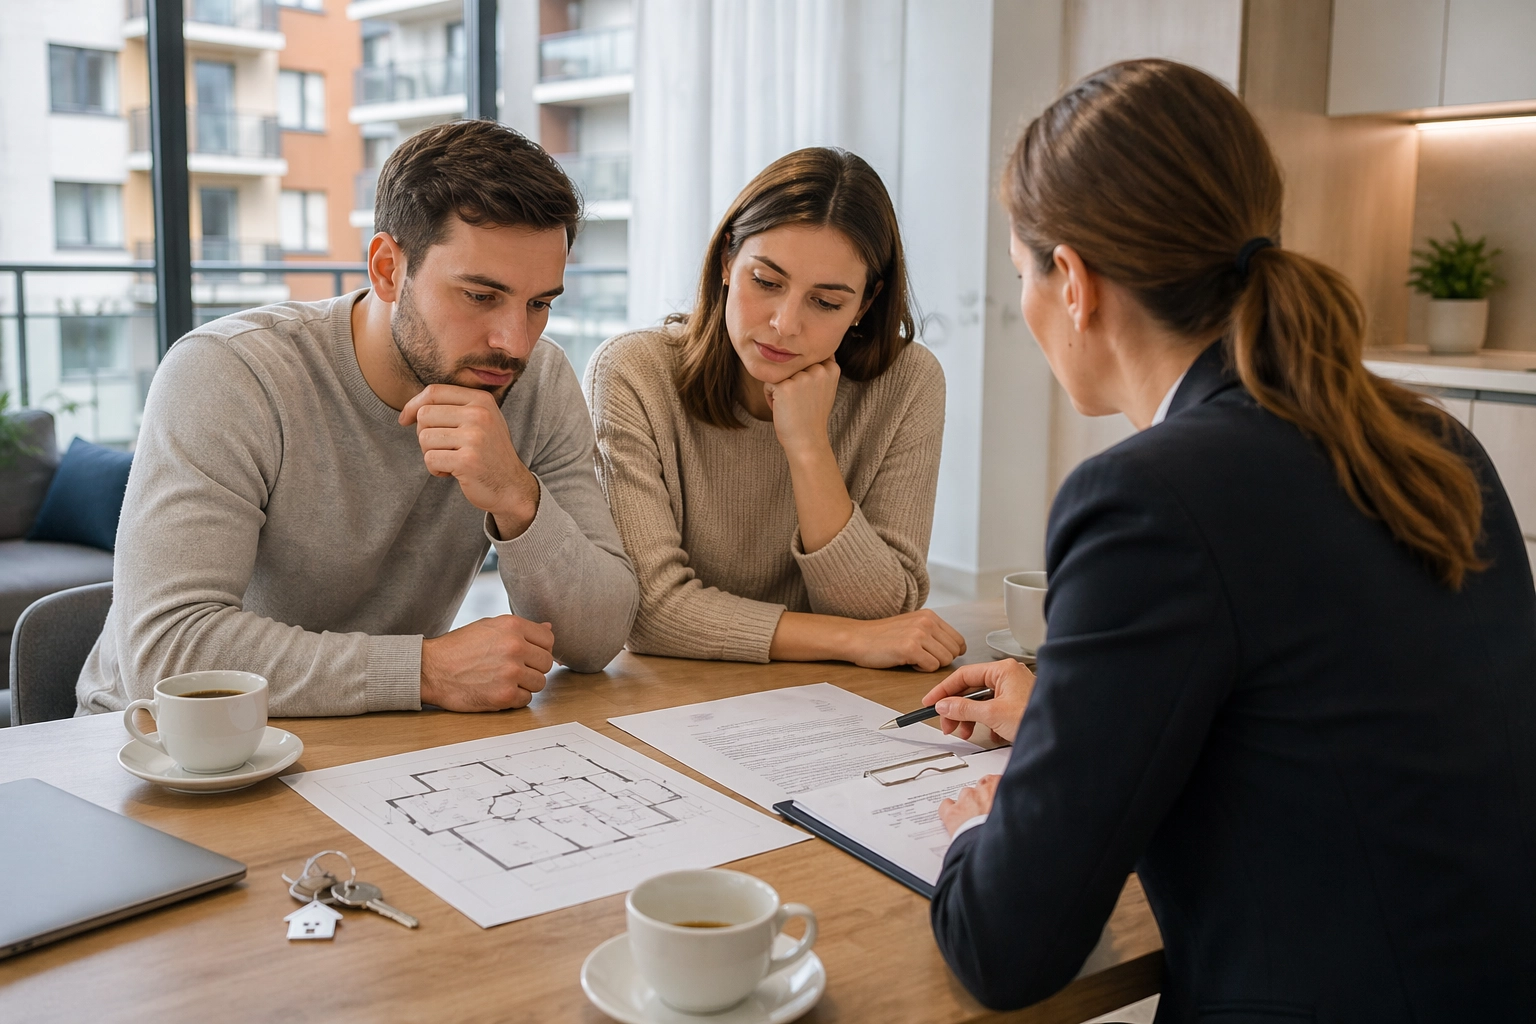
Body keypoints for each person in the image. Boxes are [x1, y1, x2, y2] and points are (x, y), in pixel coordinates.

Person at [921, 60, 1536, 1021]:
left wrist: (981, 832)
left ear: (1073, 281)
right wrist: (1065, 715)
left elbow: (1006, 946)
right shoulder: (1433, 441)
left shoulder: (1146, 496)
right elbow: (1322, 723)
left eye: (1022, 276)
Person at [77, 121, 639, 718]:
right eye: (480, 296)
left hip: (368, 744)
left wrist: (517, 496)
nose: (514, 341)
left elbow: (597, 638)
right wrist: (422, 671)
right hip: (159, 748)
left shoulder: (536, 381)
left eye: (539, 304)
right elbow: (165, 654)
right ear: (387, 269)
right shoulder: (229, 374)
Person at [584, 148, 963, 670]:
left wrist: (808, 446)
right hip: (675, 696)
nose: (786, 323)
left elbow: (883, 609)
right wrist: (850, 641)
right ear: (725, 262)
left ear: (865, 306)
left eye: (826, 302)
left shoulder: (907, 382)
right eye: (766, 282)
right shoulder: (633, 372)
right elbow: (649, 610)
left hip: (838, 705)